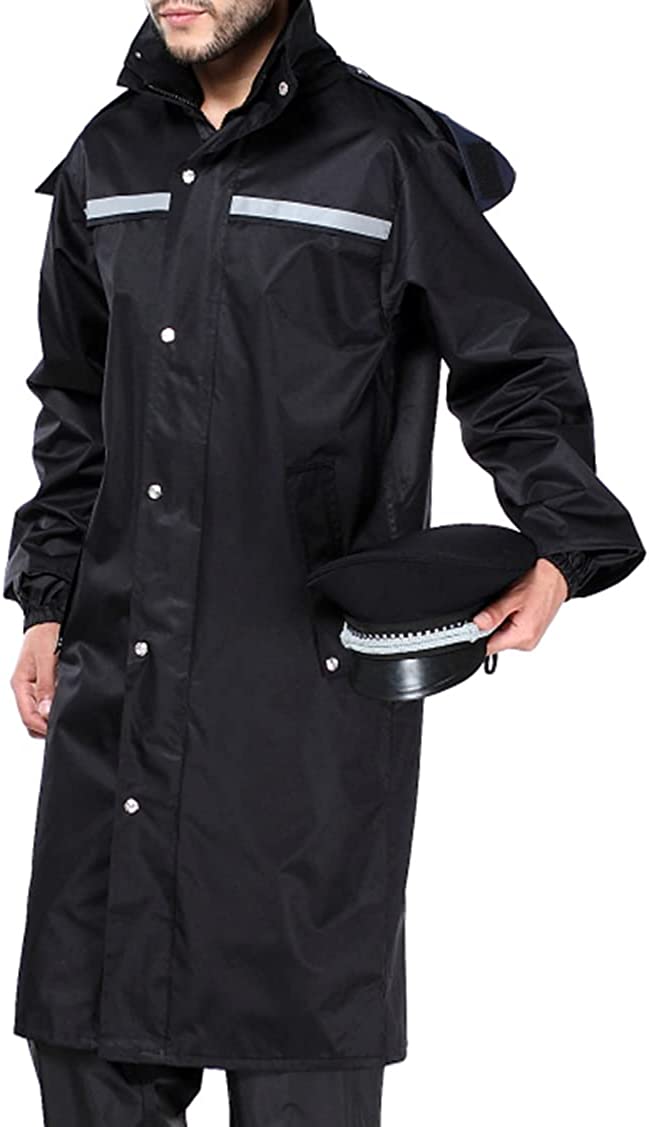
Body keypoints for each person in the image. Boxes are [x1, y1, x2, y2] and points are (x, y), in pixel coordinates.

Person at [4, 0, 645, 1124]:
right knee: (87, 1048)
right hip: (116, 702)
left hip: (299, 704)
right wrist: (47, 600)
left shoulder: (381, 151)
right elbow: (76, 404)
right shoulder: (109, 157)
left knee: (298, 1052)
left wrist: (561, 543)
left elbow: (513, 361)